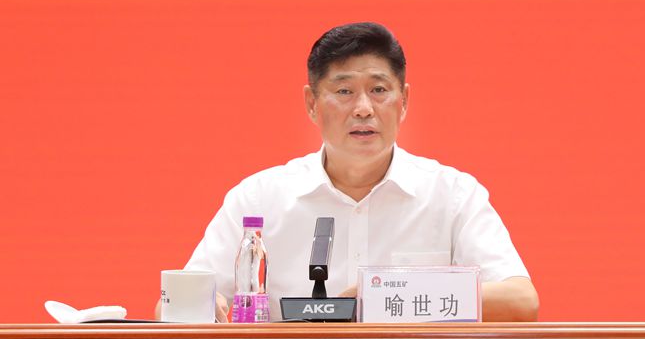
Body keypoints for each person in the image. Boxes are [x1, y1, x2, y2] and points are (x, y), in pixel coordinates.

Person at [155, 22, 539, 322]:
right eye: (344, 92)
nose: (363, 108)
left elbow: (521, 301)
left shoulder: (452, 195)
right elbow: (171, 306)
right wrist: (204, 306)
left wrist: (388, 294)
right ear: (311, 103)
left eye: (379, 90)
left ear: (404, 101)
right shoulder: (258, 198)